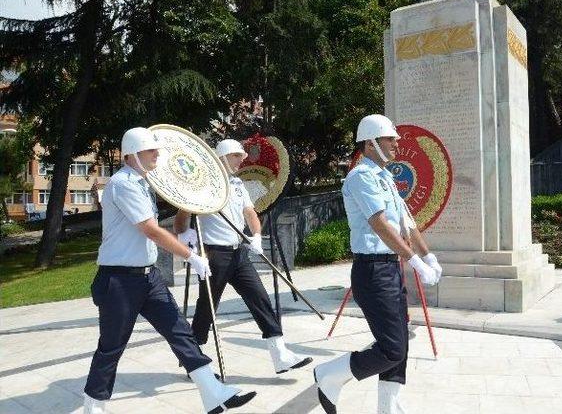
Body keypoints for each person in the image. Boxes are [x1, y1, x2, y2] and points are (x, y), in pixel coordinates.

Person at [82, 127, 256, 414]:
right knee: (112, 346)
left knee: (180, 332)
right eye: (151, 150)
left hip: (148, 277)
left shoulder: (141, 183)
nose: (157, 155)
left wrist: (185, 229)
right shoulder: (123, 183)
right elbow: (149, 229)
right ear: (132, 154)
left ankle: (213, 393)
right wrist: (190, 255)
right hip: (120, 280)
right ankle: (94, 406)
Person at [313, 115, 443, 414]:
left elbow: (407, 225)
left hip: (389, 269)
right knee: (391, 348)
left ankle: (389, 407)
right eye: (390, 139)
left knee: (401, 343)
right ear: (371, 144)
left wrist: (428, 256)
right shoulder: (361, 177)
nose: (397, 143)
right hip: (372, 270)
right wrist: (413, 261)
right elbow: (380, 225)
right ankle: (330, 374)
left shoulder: (385, 178)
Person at [174, 138, 312, 376]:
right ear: (222, 158)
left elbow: (249, 212)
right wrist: (185, 227)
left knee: (260, 298)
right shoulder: (202, 185)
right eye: (237, 156)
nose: (241, 161)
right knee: (207, 308)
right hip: (214, 255)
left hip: (238, 253)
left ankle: (280, 356)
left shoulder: (238, 184)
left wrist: (256, 235)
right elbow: (181, 219)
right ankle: (194, 363)